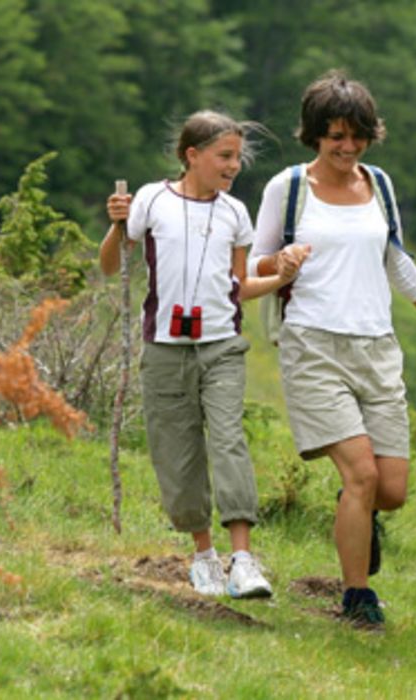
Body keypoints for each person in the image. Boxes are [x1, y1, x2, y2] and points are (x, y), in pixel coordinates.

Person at [250, 70, 416, 629]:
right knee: (361, 475)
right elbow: (250, 265)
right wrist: (280, 264)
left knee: (390, 491)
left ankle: (361, 519)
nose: (346, 148)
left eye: (357, 136)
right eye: (335, 136)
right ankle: (357, 598)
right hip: (312, 344)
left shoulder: (379, 184)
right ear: (314, 134)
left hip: (378, 346)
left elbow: (393, 256)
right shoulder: (287, 188)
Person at [100, 110, 293, 599]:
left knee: (228, 437)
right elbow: (109, 264)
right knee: (177, 451)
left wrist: (282, 279)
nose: (234, 167)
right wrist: (115, 225)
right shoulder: (149, 200)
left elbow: (240, 285)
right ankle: (204, 556)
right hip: (164, 347)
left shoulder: (235, 214)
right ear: (192, 155)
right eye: (224, 156)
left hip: (222, 344)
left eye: (238, 158)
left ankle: (244, 559)